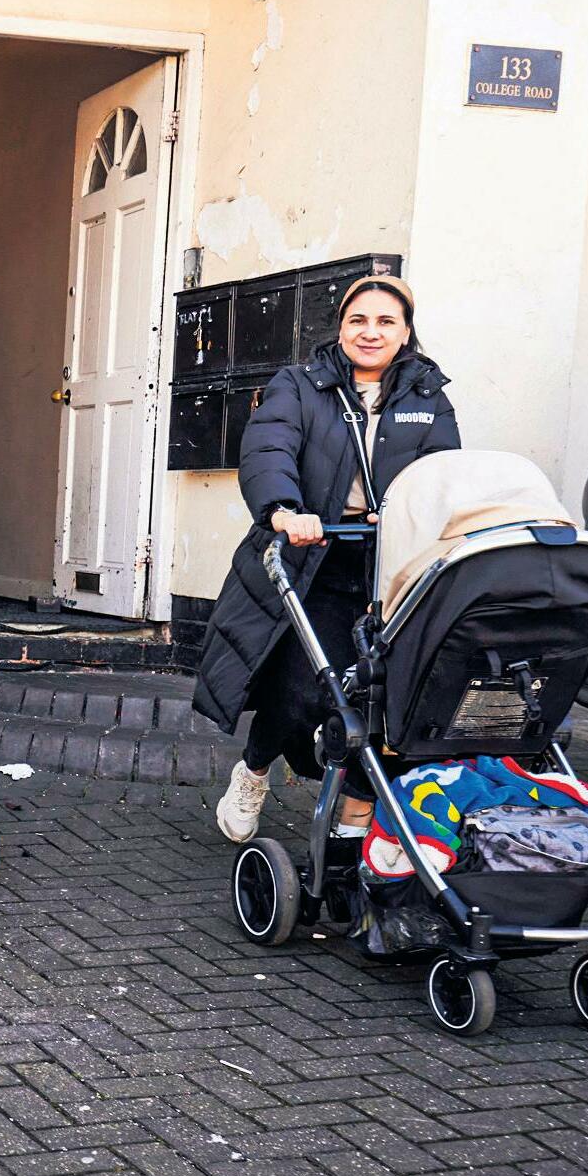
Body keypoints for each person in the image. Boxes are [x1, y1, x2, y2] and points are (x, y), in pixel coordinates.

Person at [194, 275, 460, 842]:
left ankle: (354, 820)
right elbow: (268, 447)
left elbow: (442, 477)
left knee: (387, 697)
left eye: (386, 322)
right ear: (340, 327)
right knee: (297, 688)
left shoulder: (427, 396)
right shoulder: (301, 384)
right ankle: (255, 772)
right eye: (357, 320)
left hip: (391, 568)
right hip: (311, 557)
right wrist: (285, 510)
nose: (370, 333)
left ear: (406, 332)